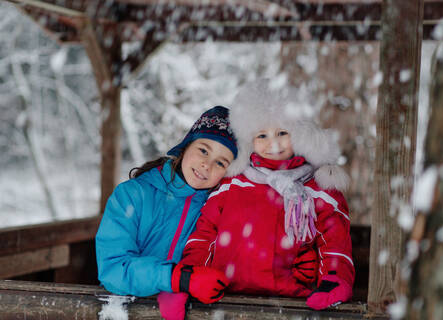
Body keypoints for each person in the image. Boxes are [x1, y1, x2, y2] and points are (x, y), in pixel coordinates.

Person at [161, 80, 354, 317]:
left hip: (291, 304)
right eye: (262, 135)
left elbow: (334, 240)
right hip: (225, 300)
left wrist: (333, 278)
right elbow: (205, 234)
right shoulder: (232, 184)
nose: (273, 143)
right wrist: (189, 277)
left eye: (282, 132)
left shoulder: (318, 188)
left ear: (301, 133)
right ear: (249, 139)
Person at [95, 106, 238, 317]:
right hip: (125, 313)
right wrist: (176, 277)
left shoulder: (217, 212)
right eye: (203, 150)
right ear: (186, 146)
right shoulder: (132, 195)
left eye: (220, 162)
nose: (207, 165)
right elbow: (113, 268)